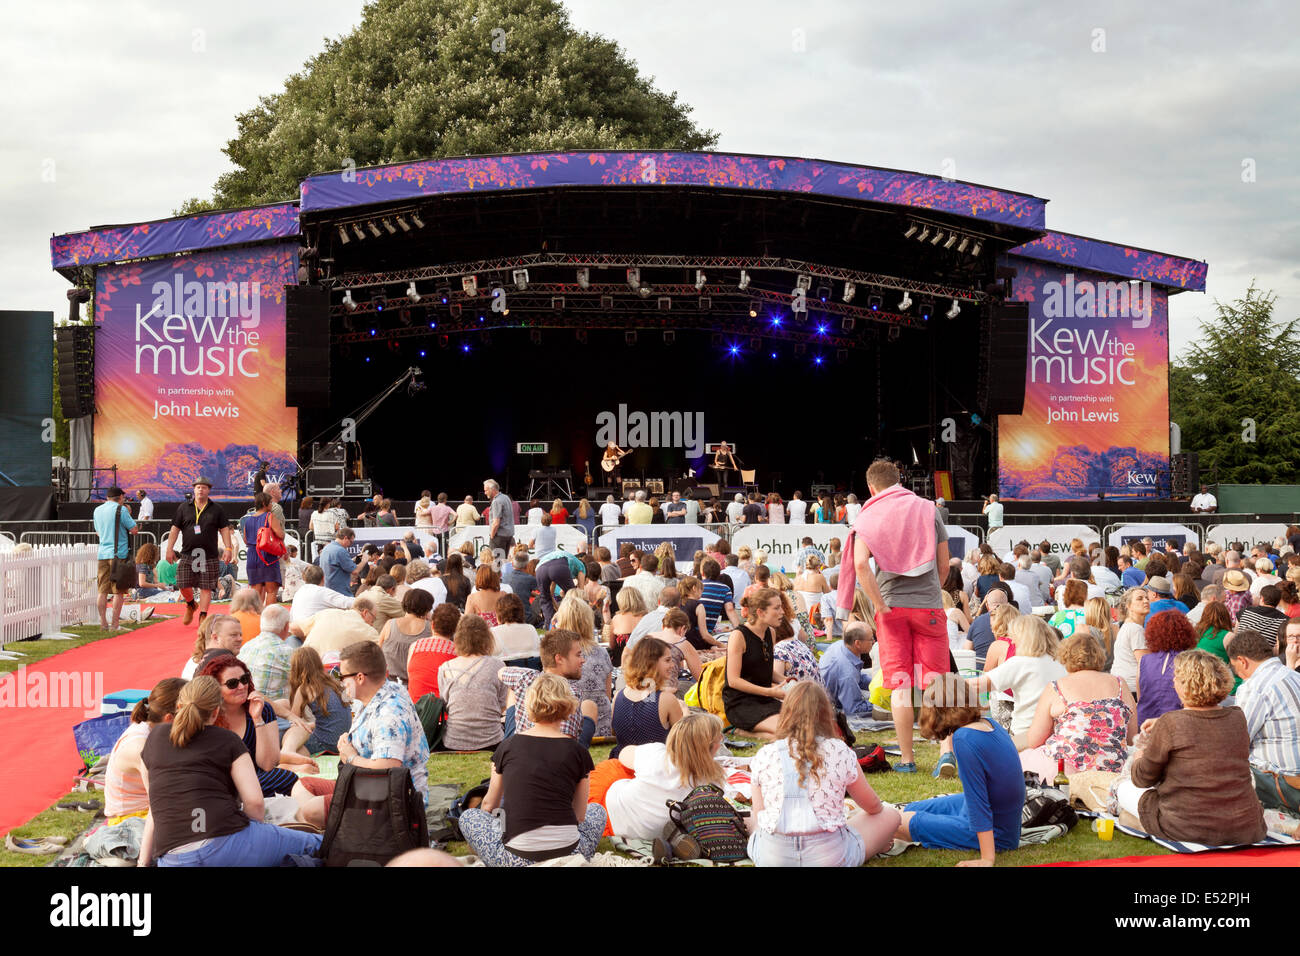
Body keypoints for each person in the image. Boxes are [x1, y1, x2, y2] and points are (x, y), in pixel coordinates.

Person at [138, 677, 323, 867]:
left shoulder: (154, 738)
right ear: (216, 711)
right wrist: (253, 838)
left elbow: (154, 806)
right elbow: (255, 803)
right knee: (318, 845)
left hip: (171, 858)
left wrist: (142, 863)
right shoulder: (227, 740)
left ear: (179, 706)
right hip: (224, 840)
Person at [838, 459, 950, 772]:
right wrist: (931, 594)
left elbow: (861, 565)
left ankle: (908, 759)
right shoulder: (929, 509)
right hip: (928, 605)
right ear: (900, 479)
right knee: (936, 682)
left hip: (891, 609)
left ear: (871, 488)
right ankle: (946, 752)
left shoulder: (869, 515)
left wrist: (880, 604)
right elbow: (944, 565)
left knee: (901, 684)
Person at [1117, 650, 1265, 845]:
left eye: (1177, 677)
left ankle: (1138, 822)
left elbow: (1143, 778)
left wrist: (1139, 756)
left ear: (1187, 684)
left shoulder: (1171, 723)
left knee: (1124, 789)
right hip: (1244, 826)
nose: (1173, 682)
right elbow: (1202, 726)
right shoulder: (1237, 717)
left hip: (1187, 826)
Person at [457, 673, 605, 866]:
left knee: (469, 816)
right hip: (569, 851)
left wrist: (498, 829)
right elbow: (580, 815)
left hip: (514, 857)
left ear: (529, 705)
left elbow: (488, 805)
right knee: (597, 810)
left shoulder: (508, 746)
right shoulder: (578, 751)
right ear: (568, 706)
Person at [747, 682, 899, 866]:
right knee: (891, 815)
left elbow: (759, 814)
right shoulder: (839, 751)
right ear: (826, 714)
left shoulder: (765, 754)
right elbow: (873, 807)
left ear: (786, 712)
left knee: (753, 821)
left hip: (773, 858)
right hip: (830, 857)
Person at [895, 674, 1026, 866]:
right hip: (1001, 820)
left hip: (997, 833)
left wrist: (986, 859)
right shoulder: (991, 724)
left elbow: (978, 803)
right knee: (906, 810)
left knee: (898, 823)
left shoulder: (964, 738)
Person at [1020, 633, 1136, 781]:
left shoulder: (1057, 687)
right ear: (1099, 655)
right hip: (1113, 770)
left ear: (1066, 656)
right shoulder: (1120, 684)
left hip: (1066, 770)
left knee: (1021, 761)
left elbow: (1034, 740)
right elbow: (1131, 738)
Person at [597, 713, 725, 841]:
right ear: (711, 746)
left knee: (613, 766)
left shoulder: (656, 754)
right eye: (720, 738)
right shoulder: (713, 781)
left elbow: (623, 755)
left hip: (613, 815)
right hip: (663, 832)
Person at [337, 640, 430, 803]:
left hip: (389, 803)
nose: (341, 682)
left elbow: (388, 766)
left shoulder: (389, 714)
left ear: (359, 677)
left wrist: (351, 758)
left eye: (342, 676)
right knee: (304, 787)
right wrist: (348, 741)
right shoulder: (387, 689)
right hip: (372, 790)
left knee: (310, 808)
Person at [1229, 628, 1300, 814]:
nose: (1239, 676)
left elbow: (1237, 743)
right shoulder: (1294, 676)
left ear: (1243, 662)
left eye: (1236, 670)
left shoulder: (1254, 687)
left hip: (1285, 784)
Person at [970, 614, 1065, 746]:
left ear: (1025, 638)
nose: (1013, 642)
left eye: (1014, 637)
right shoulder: (1061, 663)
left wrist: (943, 683)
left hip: (1026, 734)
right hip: (1058, 733)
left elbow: (977, 685)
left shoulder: (1021, 663)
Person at [103, 678, 187, 826]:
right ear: (169, 718)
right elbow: (163, 801)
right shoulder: (141, 746)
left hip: (144, 812)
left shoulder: (151, 730)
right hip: (130, 821)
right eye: (190, 715)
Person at [499, 629, 599, 745]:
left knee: (513, 688)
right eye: (578, 655)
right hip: (556, 751)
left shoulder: (525, 677)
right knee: (589, 706)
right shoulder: (569, 693)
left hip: (520, 744)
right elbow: (563, 743)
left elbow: (501, 672)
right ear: (559, 659)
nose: (583, 660)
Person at [165, 476, 233, 628]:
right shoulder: (184, 508)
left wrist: (228, 548)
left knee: (206, 586)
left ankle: (203, 615)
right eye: (198, 487)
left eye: (204, 487)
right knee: (182, 584)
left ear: (209, 490)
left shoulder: (217, 509)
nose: (200, 489)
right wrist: (169, 548)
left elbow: (224, 529)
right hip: (188, 553)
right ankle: (190, 604)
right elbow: (174, 529)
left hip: (209, 554)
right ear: (194, 489)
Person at [436, 614, 509, 752]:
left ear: (458, 638)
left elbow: (445, 704)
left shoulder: (445, 668)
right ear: (487, 638)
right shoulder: (498, 666)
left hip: (453, 740)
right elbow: (502, 704)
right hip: (492, 740)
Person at [723, 588, 788, 738]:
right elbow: (733, 681)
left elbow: (766, 670)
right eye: (777, 608)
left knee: (802, 724)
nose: (782, 612)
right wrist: (769, 692)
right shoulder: (738, 636)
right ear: (760, 612)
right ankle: (739, 730)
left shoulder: (770, 632)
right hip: (741, 703)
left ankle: (754, 731)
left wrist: (791, 682)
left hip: (764, 698)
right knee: (786, 731)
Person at [608, 636, 686, 757]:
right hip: (656, 767)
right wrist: (686, 713)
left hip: (622, 764)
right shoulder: (666, 699)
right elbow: (684, 739)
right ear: (651, 663)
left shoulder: (618, 696)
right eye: (667, 660)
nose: (673, 665)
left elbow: (615, 731)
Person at [552, 591, 614, 737]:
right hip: (601, 727)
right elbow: (607, 694)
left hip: (567, 729)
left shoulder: (557, 656)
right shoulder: (602, 653)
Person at [280, 646, 350, 756]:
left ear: (296, 669)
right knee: (284, 704)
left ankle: (289, 754)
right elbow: (333, 719)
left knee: (290, 736)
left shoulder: (304, 688)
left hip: (325, 742)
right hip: (342, 740)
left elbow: (294, 720)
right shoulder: (333, 682)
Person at [1137, 610, 1200, 724]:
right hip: (1176, 722)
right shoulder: (1189, 661)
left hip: (1145, 721)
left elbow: (1141, 695)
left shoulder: (1144, 660)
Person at [94, 486, 139, 630]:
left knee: (102, 591)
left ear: (107, 497)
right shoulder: (121, 509)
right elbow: (134, 529)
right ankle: (115, 624)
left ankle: (103, 623)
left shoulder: (97, 510)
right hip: (118, 554)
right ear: (120, 498)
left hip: (102, 553)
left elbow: (98, 533)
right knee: (118, 591)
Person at [237, 604, 295, 706]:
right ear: (286, 626)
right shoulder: (287, 652)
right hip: (276, 710)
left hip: (248, 706)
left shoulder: (246, 646)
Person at [378, 588, 434, 685]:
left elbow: (378, 651)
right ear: (427, 608)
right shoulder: (431, 628)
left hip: (388, 684)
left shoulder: (390, 624)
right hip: (416, 685)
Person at [407, 603, 462, 701]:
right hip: (443, 712)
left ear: (432, 624)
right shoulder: (458, 652)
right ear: (455, 629)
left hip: (415, 709)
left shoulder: (415, 646)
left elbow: (410, 676)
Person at [819, 621, 875, 717]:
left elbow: (859, 677)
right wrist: (881, 704)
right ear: (857, 643)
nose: (874, 641)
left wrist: (876, 684)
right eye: (871, 639)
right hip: (834, 706)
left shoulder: (841, 644)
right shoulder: (847, 673)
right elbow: (854, 709)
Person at [291, 597, 379, 655]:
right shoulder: (369, 631)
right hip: (330, 673)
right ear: (365, 613)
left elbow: (294, 628)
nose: (372, 624)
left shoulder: (327, 612)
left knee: (292, 639)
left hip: (303, 662)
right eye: (373, 619)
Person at [1112, 587, 1151, 695]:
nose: (1146, 601)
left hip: (1123, 685)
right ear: (1128, 606)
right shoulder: (1135, 629)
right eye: (1140, 598)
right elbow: (1145, 664)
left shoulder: (1127, 626)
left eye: (1147, 598)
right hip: (1133, 688)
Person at [490, 593, 541, 670]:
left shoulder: (494, 632)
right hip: (532, 674)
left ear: (499, 613)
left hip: (505, 677)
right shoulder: (531, 629)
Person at [607, 585, 648, 667]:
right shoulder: (647, 618)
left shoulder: (616, 619)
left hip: (621, 666)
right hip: (644, 666)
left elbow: (612, 645)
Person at [318, 528, 358, 597]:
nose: (350, 545)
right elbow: (355, 571)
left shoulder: (327, 548)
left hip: (327, 590)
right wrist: (364, 560)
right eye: (351, 542)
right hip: (340, 592)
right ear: (345, 538)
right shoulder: (340, 551)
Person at [484, 478, 515, 557]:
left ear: (492, 489)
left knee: (496, 563)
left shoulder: (496, 501)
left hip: (499, 536)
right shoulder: (506, 497)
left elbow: (496, 522)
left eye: (486, 490)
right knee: (503, 561)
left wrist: (492, 535)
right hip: (508, 534)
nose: (485, 493)